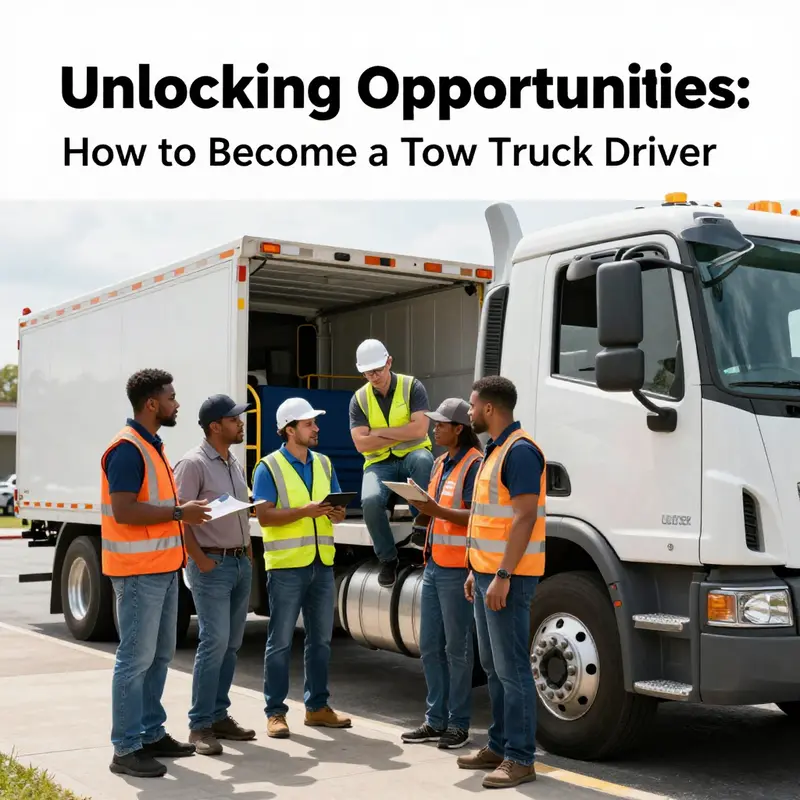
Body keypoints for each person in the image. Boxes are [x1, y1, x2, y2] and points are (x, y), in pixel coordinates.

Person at [101, 369, 212, 779]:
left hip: (162, 570)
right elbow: (125, 510)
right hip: (136, 575)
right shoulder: (128, 449)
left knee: (160, 655)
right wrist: (180, 512)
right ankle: (125, 749)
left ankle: (150, 733)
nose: (176, 403)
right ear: (152, 404)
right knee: (135, 659)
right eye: (171, 396)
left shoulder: (153, 445)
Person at [456, 376, 546, 790]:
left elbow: (525, 517)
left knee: (513, 671)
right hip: (490, 573)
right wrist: (478, 569)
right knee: (493, 667)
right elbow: (490, 520)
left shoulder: (521, 451)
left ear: (489, 409)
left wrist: (504, 575)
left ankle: (521, 758)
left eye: (473, 406)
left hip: (510, 577)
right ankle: (498, 745)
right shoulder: (494, 450)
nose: (469, 412)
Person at [252, 397, 352, 739]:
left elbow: (334, 506)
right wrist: (304, 512)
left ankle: (317, 708)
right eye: (309, 424)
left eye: (314, 423)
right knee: (280, 642)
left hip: (322, 565)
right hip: (286, 568)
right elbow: (263, 515)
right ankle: (275, 713)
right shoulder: (268, 467)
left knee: (321, 641)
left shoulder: (324, 463)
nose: (316, 428)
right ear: (290, 429)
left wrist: (337, 514)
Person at [173, 394, 257, 756]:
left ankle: (219, 715)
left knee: (232, 644)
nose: (241, 424)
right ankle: (200, 726)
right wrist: (199, 560)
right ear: (215, 426)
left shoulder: (233, 463)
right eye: (235, 419)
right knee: (214, 643)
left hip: (239, 564)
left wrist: (248, 552)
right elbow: (179, 518)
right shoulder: (192, 464)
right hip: (212, 565)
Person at [401, 398, 482, 750]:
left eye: (441, 424)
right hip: (433, 566)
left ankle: (459, 723)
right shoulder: (438, 464)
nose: (435, 428)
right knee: (430, 646)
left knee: (457, 649)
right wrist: (420, 507)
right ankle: (435, 720)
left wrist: (434, 509)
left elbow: (474, 517)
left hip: (457, 570)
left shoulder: (473, 465)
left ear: (459, 429)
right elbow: (434, 512)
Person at [349, 338, 435, 588]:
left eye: (377, 369)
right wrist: (401, 430)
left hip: (412, 455)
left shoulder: (412, 387)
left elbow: (420, 430)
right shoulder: (359, 399)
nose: (373, 376)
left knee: (423, 461)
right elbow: (361, 444)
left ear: (389, 362)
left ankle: (423, 531)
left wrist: (378, 433)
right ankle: (388, 559)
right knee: (370, 500)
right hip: (378, 463)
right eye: (367, 372)